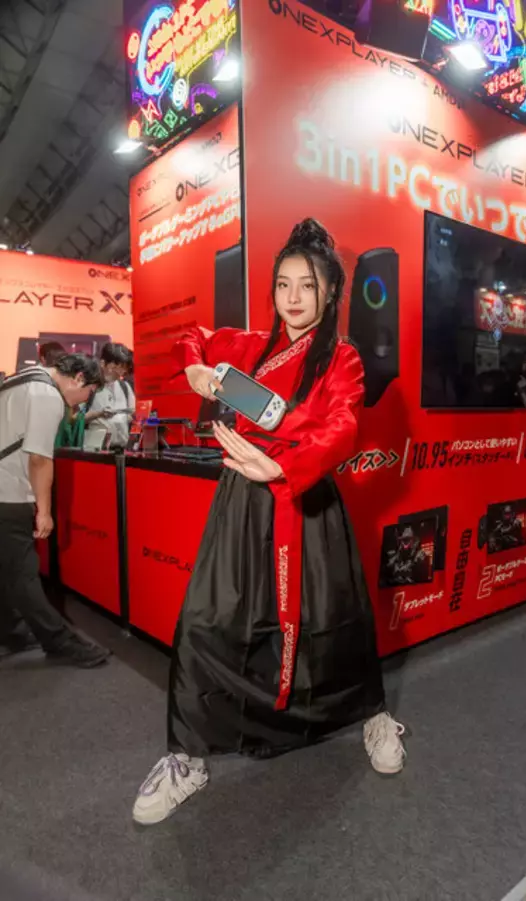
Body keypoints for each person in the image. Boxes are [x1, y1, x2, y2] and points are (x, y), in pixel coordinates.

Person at [132, 219, 406, 827]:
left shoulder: (342, 358)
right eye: (284, 284)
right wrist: (195, 369)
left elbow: (343, 427)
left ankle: (372, 714)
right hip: (241, 502)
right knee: (208, 619)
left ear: (330, 292)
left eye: (308, 285)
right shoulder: (250, 346)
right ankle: (187, 756)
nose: (294, 297)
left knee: (334, 620)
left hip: (305, 500)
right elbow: (192, 336)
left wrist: (284, 466)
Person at [0, 354, 110, 666]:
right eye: (89, 392)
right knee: (23, 573)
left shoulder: (21, 379)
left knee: (6, 569)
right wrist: (44, 511)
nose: (86, 400)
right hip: (8, 493)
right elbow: (39, 459)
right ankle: (60, 642)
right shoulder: (47, 395)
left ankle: (11, 632)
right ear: (78, 378)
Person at [85, 343, 135, 449]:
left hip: (121, 448)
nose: (120, 372)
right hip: (94, 449)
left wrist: (131, 416)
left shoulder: (125, 387)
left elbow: (133, 413)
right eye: (116, 367)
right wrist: (99, 414)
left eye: (123, 368)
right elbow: (76, 419)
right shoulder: (90, 386)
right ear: (103, 363)